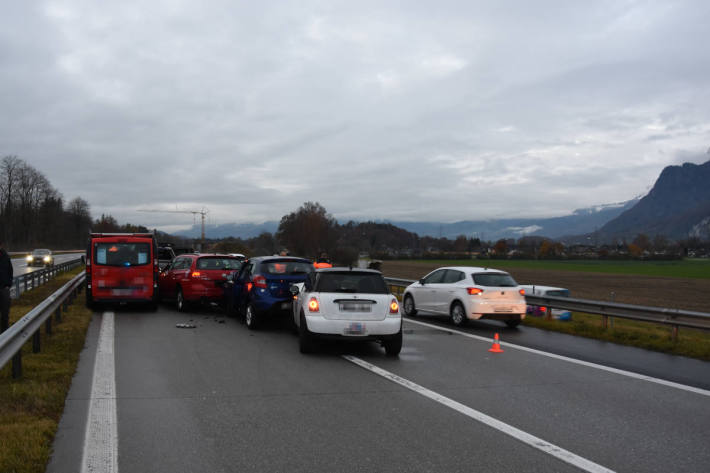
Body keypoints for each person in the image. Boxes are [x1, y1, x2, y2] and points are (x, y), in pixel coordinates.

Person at [0, 239, 13, 333]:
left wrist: (8, 285)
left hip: (4, 288)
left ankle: (4, 333)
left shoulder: (5, 256)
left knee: (5, 313)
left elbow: (10, 271)